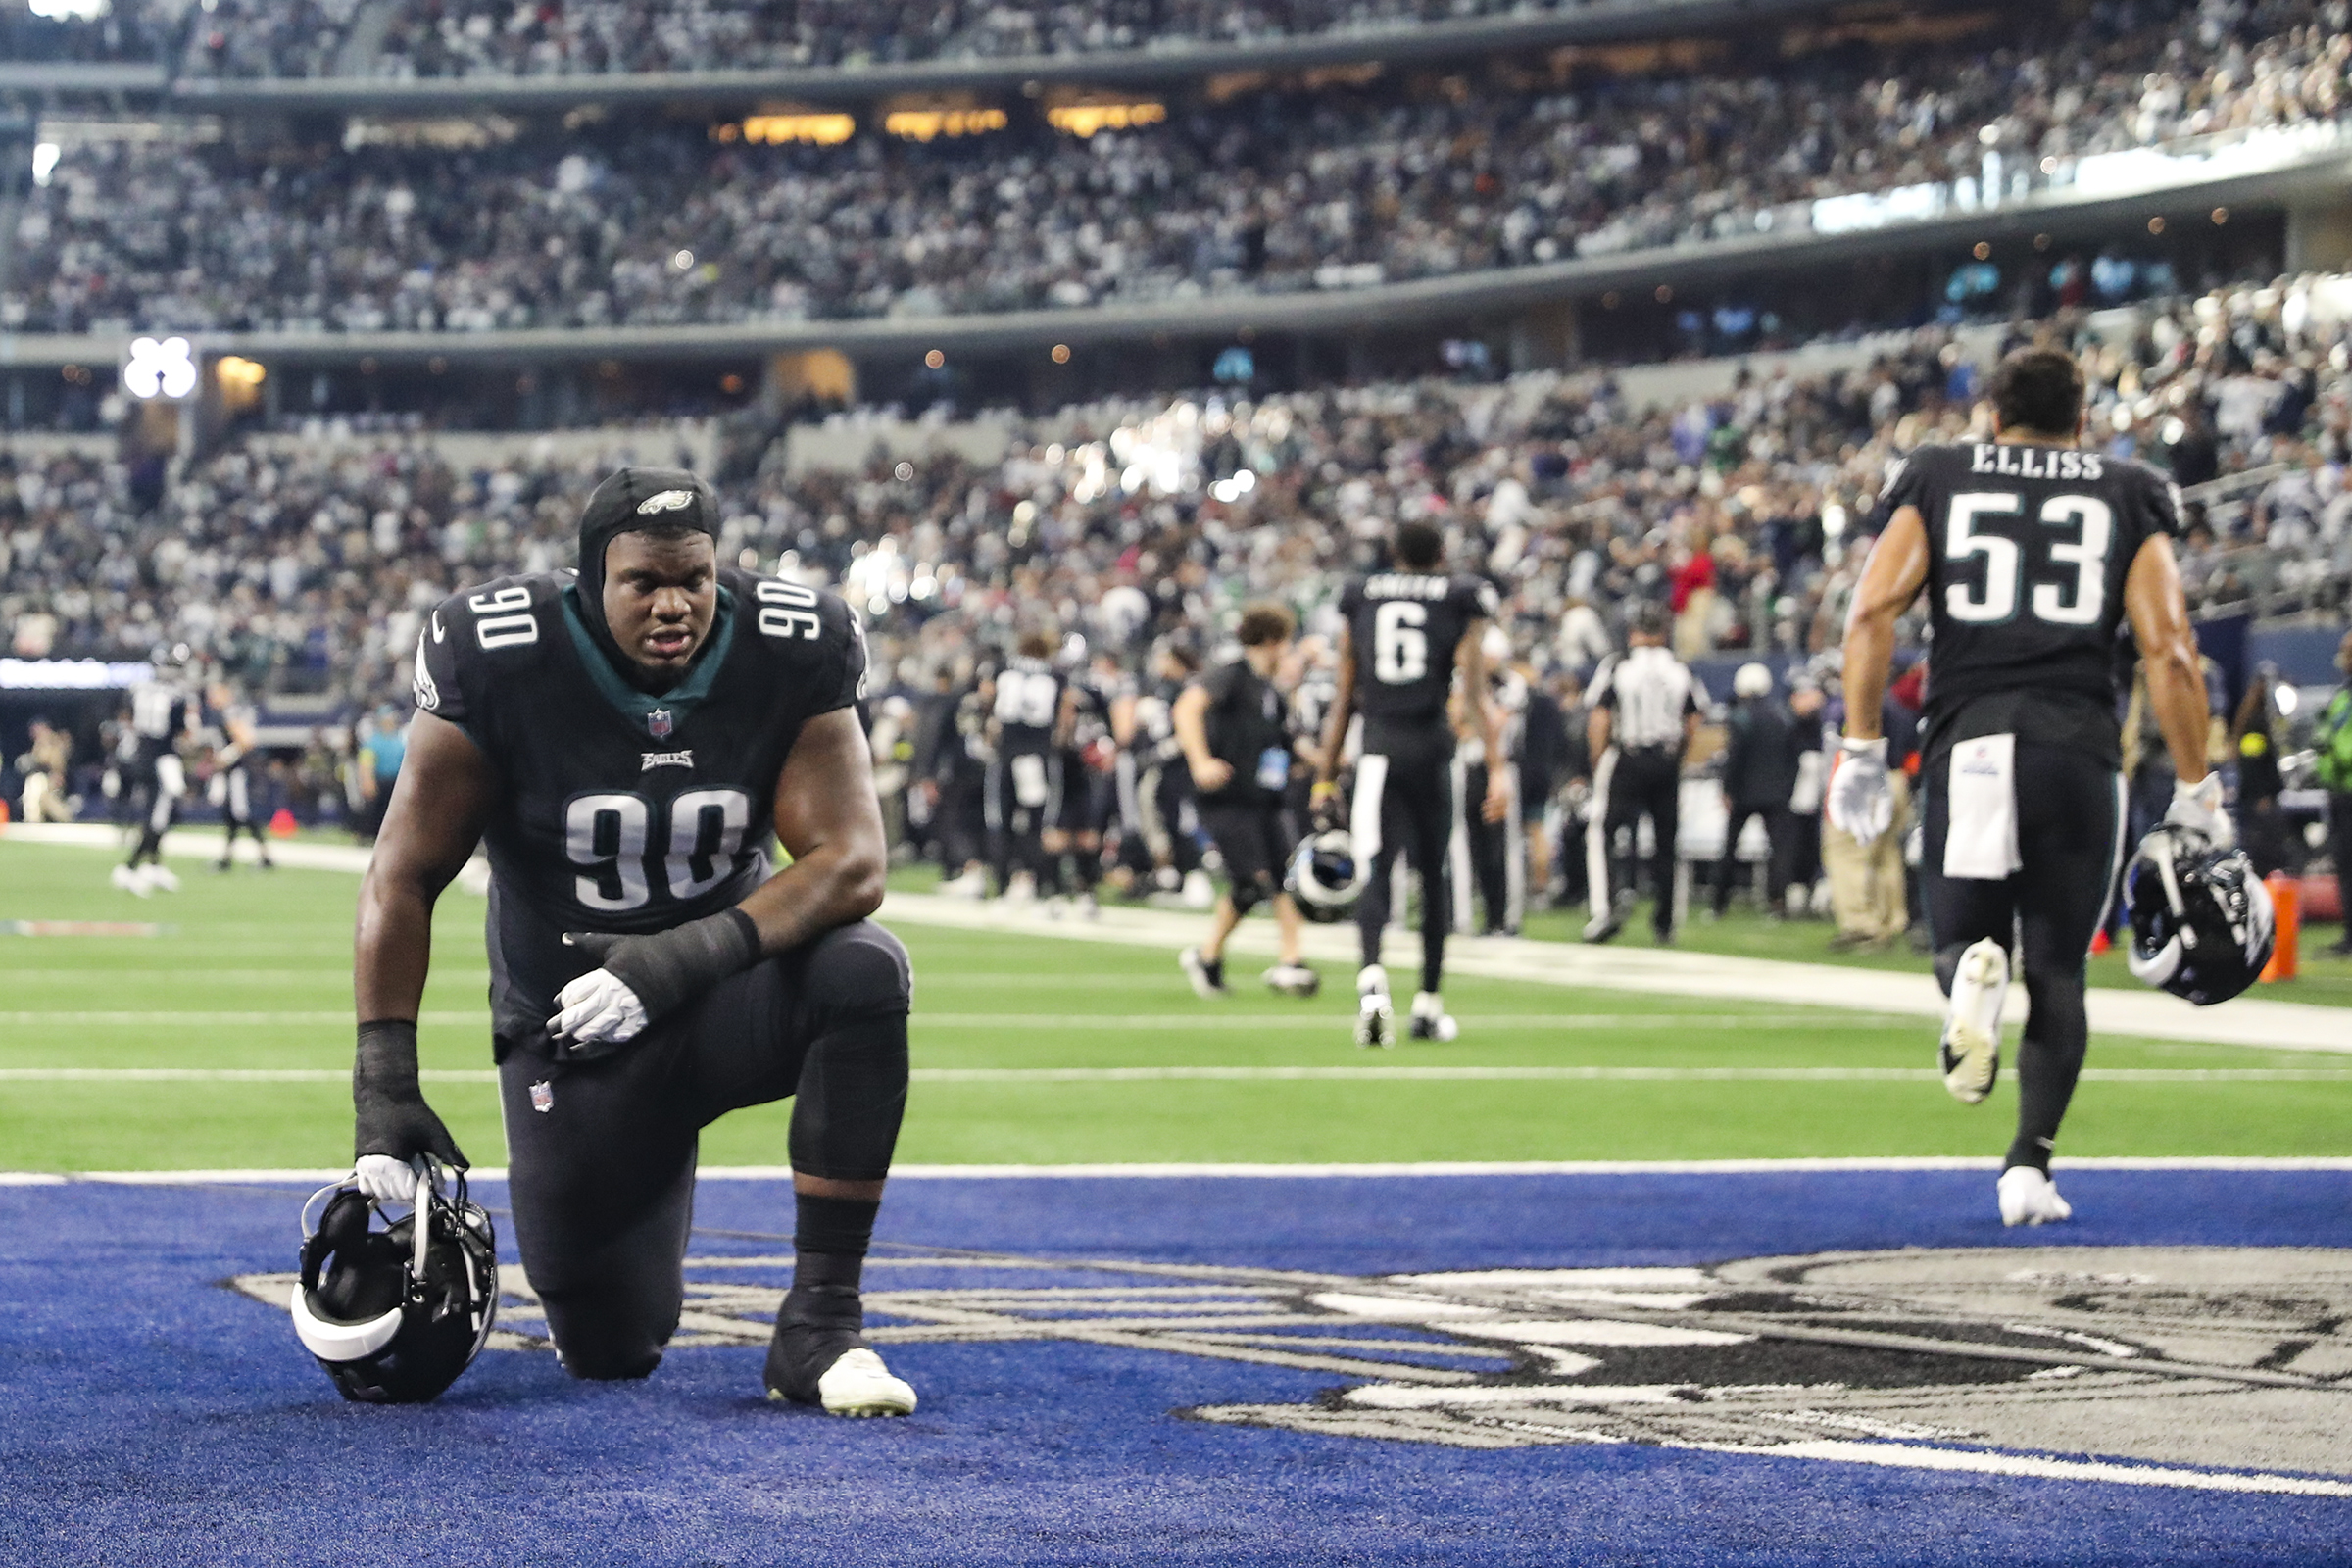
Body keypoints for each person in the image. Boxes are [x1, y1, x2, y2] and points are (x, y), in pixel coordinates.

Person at [349, 466, 917, 1416]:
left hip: (723, 991)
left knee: (864, 969)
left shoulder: (789, 642)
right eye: (643, 581)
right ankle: (638, 1179)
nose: (673, 603)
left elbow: (851, 862)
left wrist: (671, 962)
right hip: (573, 1032)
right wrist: (384, 1081)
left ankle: (821, 1326)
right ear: (589, 578)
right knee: (613, 1347)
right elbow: (402, 875)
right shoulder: (497, 654)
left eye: (693, 578)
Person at [1832, 345, 2230, 1227]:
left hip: (1969, 742)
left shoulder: (1939, 471)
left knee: (1961, 944)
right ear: (2082, 419)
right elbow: (2169, 647)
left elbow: (1871, 609)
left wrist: (1859, 745)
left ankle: (1970, 982)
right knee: (2059, 970)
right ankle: (2028, 1167)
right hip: (2075, 749)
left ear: (1990, 413)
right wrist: (2199, 788)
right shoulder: (2126, 488)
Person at [1315, 518, 1507, 1046]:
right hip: (1433, 749)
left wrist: (1324, 775)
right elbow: (1472, 691)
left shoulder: (1361, 595)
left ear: (1393, 552)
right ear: (1442, 552)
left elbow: (1345, 693)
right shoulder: (1458, 595)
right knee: (1434, 874)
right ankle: (1428, 1003)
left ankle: (1373, 986)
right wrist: (1495, 767)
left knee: (1375, 871)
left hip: (1378, 749)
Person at [1173, 604, 1317, 998]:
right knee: (1252, 882)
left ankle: (1288, 960)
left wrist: (1328, 763)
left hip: (1264, 799)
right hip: (1229, 797)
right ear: (1271, 641)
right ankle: (1212, 956)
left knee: (1281, 880)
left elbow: (1288, 742)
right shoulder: (1232, 675)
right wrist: (1201, 760)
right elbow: (1186, 708)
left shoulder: (1269, 689)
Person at [1582, 602, 1704, 945]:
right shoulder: (1679, 668)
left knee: (1602, 833)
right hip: (1665, 757)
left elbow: (1600, 715)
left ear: (1634, 632)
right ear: (1664, 633)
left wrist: (1598, 757)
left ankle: (1604, 911)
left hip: (1629, 756)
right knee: (1668, 842)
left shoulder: (1619, 665)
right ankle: (1666, 921)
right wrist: (1679, 755)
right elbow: (1694, 719)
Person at [984, 633, 1079, 901]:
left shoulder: (1003, 667)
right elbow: (1066, 713)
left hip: (1006, 753)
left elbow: (987, 698)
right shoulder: (1056, 674)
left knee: (1000, 819)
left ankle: (1002, 882)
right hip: (1039, 754)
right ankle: (1042, 882)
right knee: (1041, 821)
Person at [1712, 662, 1799, 919]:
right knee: (1779, 851)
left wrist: (1727, 789)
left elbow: (1734, 757)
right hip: (1777, 794)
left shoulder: (1741, 716)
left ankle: (1719, 903)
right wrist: (1787, 788)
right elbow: (1794, 758)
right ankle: (1777, 903)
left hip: (1744, 793)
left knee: (1730, 848)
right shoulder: (1783, 716)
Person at [113, 648, 195, 896]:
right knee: (158, 818)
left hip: (141, 756)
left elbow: (127, 719)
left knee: (158, 814)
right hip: (162, 760)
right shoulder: (177, 695)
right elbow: (182, 733)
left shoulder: (138, 689)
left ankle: (154, 865)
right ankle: (129, 868)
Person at [208, 683, 275, 872]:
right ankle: (227, 858)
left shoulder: (230, 712)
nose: (211, 699)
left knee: (241, 813)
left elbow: (246, 741)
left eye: (215, 694)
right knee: (232, 815)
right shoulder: (226, 712)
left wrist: (225, 757)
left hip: (238, 770)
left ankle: (265, 857)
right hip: (232, 771)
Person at [2316, 630, 2352, 957]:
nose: (2344, 659)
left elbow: (2343, 746)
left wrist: (2336, 753)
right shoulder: (2343, 695)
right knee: (2344, 864)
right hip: (2339, 792)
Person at [356, 707, 408, 843]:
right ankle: (366, 836)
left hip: (395, 780)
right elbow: (366, 763)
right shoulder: (373, 742)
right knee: (373, 810)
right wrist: (367, 780)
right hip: (379, 779)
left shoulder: (399, 741)